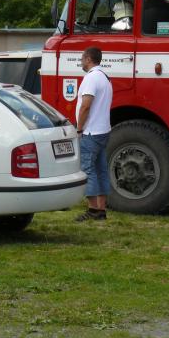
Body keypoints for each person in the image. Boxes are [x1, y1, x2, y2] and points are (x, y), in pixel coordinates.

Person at [75, 46, 112, 221]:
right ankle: (102, 210)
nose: (81, 62)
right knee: (101, 169)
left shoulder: (91, 78)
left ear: (89, 59)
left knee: (87, 169)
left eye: (82, 58)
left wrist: (79, 128)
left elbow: (86, 106)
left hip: (91, 131)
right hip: (103, 130)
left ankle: (93, 210)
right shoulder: (105, 77)